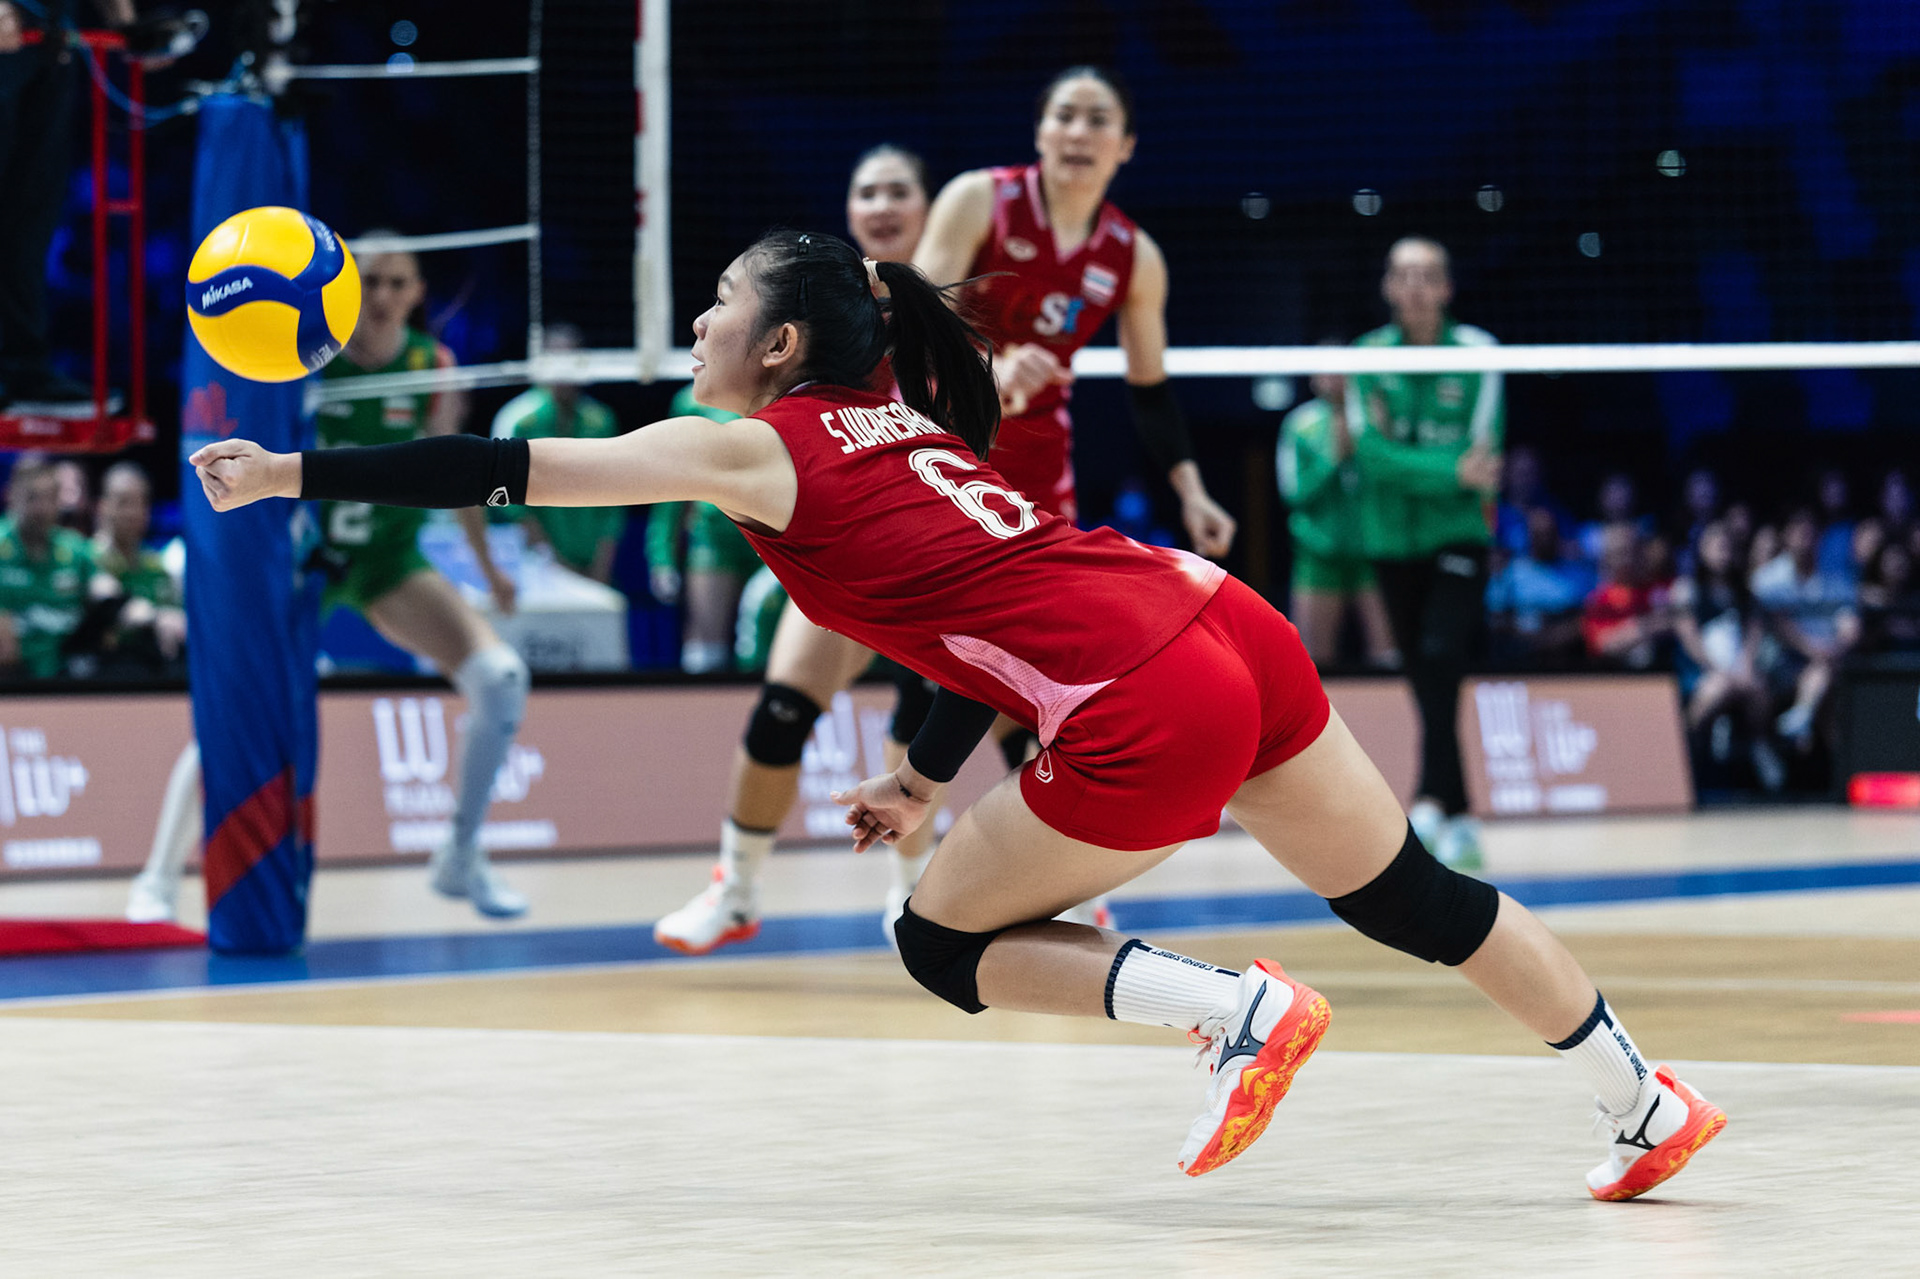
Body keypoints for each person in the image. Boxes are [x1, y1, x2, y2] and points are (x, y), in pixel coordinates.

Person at [192, 229, 1727, 1201]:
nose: (708, 322)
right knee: (1419, 896)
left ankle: (1236, 1012)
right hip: (1212, 617)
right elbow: (977, 625)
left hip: (1138, 689)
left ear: (778, 347)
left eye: (723, 302)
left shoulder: (753, 447)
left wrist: (282, 477)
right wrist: (924, 782)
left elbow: (505, 470)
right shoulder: (904, 424)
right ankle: (1643, 1098)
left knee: (934, 940)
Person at [130, 243, 534, 921]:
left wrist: (488, 567)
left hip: (387, 561)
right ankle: (158, 879)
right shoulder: (300, 355)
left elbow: (458, 475)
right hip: (303, 562)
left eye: (395, 282)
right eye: (369, 280)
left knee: (501, 677)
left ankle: (460, 857)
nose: (380, 294)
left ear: (416, 292)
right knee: (239, 714)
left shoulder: (432, 366)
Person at [654, 144, 948, 954]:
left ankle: (912, 893)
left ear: (928, 211)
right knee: (783, 711)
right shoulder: (814, 309)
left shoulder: (940, 328)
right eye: (868, 192)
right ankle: (736, 890)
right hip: (839, 564)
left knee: (926, 725)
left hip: (927, 567)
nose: (882, 204)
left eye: (899, 191)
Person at [1350, 237, 1502, 870]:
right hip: (1390, 538)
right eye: (1402, 275)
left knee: (1442, 654)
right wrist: (1447, 473)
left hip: (1461, 535)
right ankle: (1457, 812)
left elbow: (1485, 455)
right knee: (1423, 674)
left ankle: (1428, 803)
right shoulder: (1367, 357)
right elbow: (1369, 455)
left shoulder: (1480, 353)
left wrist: (1421, 468)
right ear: (1388, 287)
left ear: (1446, 288)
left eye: (1427, 276)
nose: (1414, 286)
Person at [1275, 351, 1397, 667]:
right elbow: (1294, 493)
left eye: (1343, 371)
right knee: (1313, 662)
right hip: (1319, 557)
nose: (1336, 379)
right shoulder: (1300, 425)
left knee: (1388, 657)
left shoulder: (1376, 418)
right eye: (1327, 371)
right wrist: (1334, 456)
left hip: (1373, 553)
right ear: (1315, 379)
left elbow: (1393, 481)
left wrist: (1376, 440)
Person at [489, 324, 626, 583]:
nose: (564, 370)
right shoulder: (518, 421)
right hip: (535, 566)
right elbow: (508, 503)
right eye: (557, 360)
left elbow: (613, 502)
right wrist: (554, 562)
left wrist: (601, 565)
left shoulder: (601, 421)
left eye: (572, 359)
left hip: (595, 567)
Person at [644, 385, 766, 672]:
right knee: (707, 645)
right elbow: (670, 488)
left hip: (772, 538)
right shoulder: (690, 401)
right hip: (714, 540)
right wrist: (662, 557)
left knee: (765, 639)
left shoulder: (781, 392)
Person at [1670, 519, 1782, 791]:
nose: (1723, 551)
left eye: (1728, 546)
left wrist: (1743, 666)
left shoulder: (1744, 592)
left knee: (1758, 689)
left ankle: (1759, 746)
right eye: (1716, 545)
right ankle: (1686, 759)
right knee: (1716, 692)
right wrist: (1716, 670)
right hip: (1701, 672)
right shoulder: (1687, 590)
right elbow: (1689, 639)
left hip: (1738, 670)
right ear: (1702, 550)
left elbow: (1754, 634)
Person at [1752, 508, 1857, 753]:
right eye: (1798, 531)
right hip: (1778, 663)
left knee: (1825, 679)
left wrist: (1837, 647)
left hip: (1829, 659)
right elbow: (1778, 626)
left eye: (1810, 531)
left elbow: (1849, 624)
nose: (1805, 537)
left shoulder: (1836, 578)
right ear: (1786, 536)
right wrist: (1814, 649)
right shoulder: (1767, 579)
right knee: (1825, 685)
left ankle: (1803, 721)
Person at [76, 459, 185, 675]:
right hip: (95, 675)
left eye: (141, 503)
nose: (133, 512)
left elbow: (176, 620)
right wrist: (156, 618)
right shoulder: (84, 557)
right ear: (103, 506)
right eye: (124, 502)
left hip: (153, 674)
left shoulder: (158, 566)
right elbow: (113, 605)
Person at [0, 452, 92, 676]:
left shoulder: (75, 549)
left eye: (50, 498)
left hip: (68, 678)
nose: (41, 508)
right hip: (10, 678)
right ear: (11, 496)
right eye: (32, 498)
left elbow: (105, 589)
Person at [1485, 507, 1589, 670]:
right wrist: (1530, 638)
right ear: (1528, 535)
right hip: (1518, 654)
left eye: (1549, 533)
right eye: (1538, 534)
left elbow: (1584, 618)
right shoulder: (1510, 574)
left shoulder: (1575, 573)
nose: (1544, 539)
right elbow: (1495, 618)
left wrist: (1553, 638)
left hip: (1565, 655)